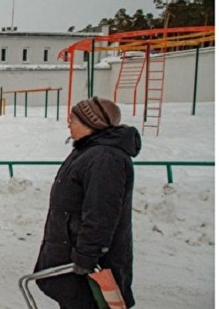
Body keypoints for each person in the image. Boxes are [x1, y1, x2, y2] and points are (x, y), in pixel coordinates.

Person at [34, 96, 141, 309]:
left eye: (73, 119)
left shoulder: (105, 158)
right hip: (72, 254)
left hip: (89, 264)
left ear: (91, 124)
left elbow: (101, 213)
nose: (68, 123)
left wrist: (87, 256)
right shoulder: (88, 152)